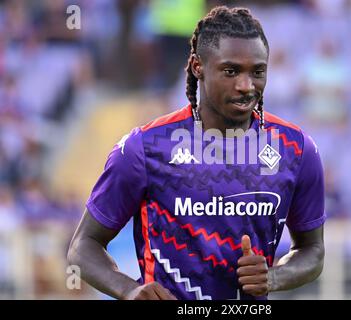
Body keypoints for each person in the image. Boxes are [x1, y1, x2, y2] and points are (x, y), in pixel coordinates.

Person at [67, 6, 325, 300]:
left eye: (257, 72)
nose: (246, 86)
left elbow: (312, 250)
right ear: (197, 66)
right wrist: (128, 290)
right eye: (230, 71)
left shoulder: (296, 149)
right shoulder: (144, 148)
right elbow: (83, 245)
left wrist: (274, 277)